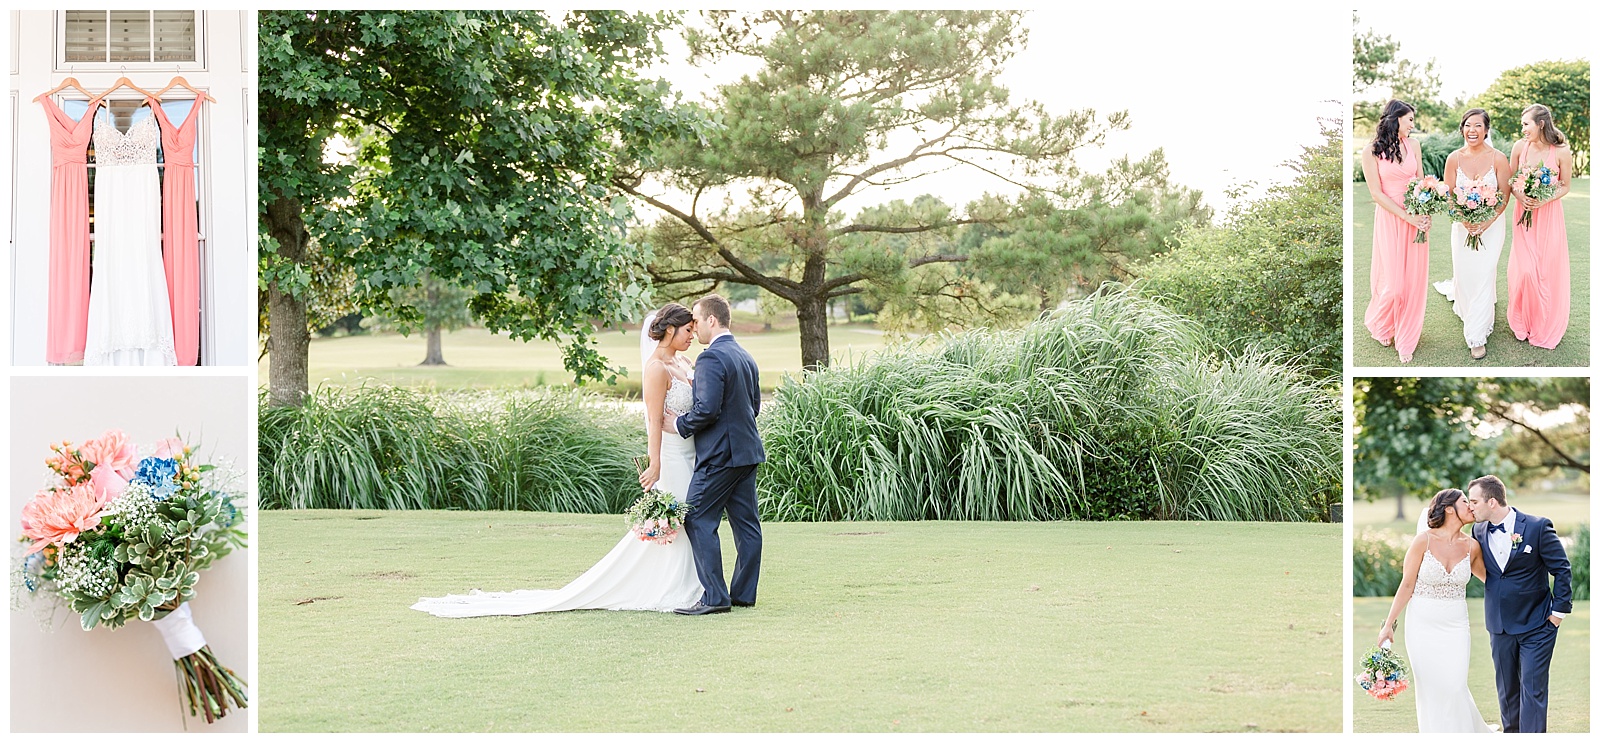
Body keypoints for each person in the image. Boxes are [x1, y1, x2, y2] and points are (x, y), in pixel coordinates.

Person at [409, 304, 703, 616]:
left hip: (691, 453)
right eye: (687, 331)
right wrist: (653, 463)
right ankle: (679, 586)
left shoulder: (683, 361)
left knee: (691, 517)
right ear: (670, 330)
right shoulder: (656, 368)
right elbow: (654, 420)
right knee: (681, 518)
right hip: (671, 456)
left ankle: (690, 582)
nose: (692, 337)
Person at [672, 294, 765, 616]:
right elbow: (754, 407)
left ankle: (714, 597)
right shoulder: (744, 354)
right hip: (748, 452)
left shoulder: (711, 358)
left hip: (720, 456)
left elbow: (707, 410)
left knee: (697, 517)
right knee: (746, 525)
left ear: (712, 320)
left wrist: (678, 423)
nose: (694, 327)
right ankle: (742, 594)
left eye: (696, 320)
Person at [1377, 489, 1493, 732]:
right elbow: (1407, 585)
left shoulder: (1473, 546)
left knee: (1455, 684)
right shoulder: (1423, 541)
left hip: (1456, 626)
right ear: (1449, 508)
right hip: (1422, 626)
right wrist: (1388, 625)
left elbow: (1492, 582)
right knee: (1430, 687)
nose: (1471, 507)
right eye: (1465, 502)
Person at [1466, 474, 1572, 733]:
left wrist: (1557, 614)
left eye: (1474, 501)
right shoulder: (1478, 530)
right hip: (1499, 625)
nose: (1470, 507)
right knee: (1507, 691)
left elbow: (1562, 569)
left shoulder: (1537, 527)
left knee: (1533, 689)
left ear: (1492, 502)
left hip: (1537, 624)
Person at [1431, 109, 1510, 361]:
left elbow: (1505, 196)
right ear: (1462, 129)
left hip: (1492, 225)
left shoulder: (1498, 158)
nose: (1472, 130)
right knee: (1465, 273)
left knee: (1485, 272)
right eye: (1467, 125)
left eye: (1477, 125)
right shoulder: (1453, 158)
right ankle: (1469, 305)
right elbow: (1450, 195)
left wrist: (1486, 222)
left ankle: (1476, 336)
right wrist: (1465, 220)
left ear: (1486, 130)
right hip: (1462, 226)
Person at [1362, 100, 1429, 363]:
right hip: (1392, 218)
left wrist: (1425, 213)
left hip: (1416, 216)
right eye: (1410, 119)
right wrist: (1407, 217)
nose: (1413, 125)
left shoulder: (1414, 145)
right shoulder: (1371, 152)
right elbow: (1376, 194)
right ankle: (1382, 323)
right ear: (1396, 119)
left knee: (1413, 282)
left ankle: (1406, 337)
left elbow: (1423, 183)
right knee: (1395, 285)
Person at [1506, 103, 1574, 350]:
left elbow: (1565, 185)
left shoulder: (1561, 151)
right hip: (1523, 215)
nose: (1522, 128)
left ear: (1541, 124)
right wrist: (1520, 196)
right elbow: (1511, 180)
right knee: (1524, 271)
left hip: (1549, 217)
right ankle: (1521, 319)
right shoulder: (1518, 148)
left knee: (1545, 271)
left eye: (1526, 124)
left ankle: (1542, 322)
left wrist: (1544, 198)